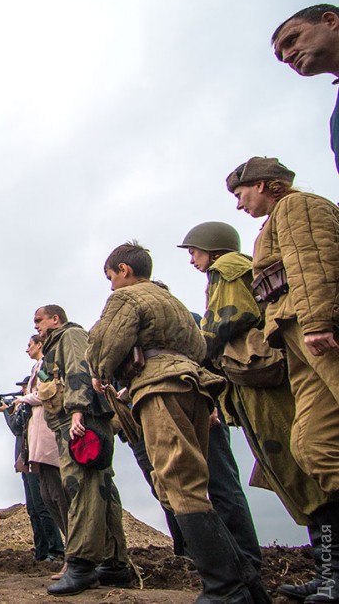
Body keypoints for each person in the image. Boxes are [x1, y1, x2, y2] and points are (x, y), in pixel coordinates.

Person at [86, 242, 270, 604]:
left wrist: (99, 369)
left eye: (111, 277)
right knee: (194, 484)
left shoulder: (126, 298)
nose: (111, 285)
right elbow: (201, 348)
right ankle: (246, 583)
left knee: (179, 486)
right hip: (194, 388)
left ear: (124, 270)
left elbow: (104, 349)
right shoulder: (173, 302)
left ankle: (224, 589)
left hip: (159, 389)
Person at [229, 156, 339, 602]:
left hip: (315, 331)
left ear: (263, 184)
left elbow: (313, 262)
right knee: (313, 446)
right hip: (295, 337)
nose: (239, 205)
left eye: (241, 194)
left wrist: (318, 321)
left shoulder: (296, 206)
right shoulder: (272, 224)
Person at [32, 304, 131, 596]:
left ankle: (82, 565)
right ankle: (114, 564)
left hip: (80, 423)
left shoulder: (70, 336)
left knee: (82, 487)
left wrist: (77, 412)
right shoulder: (53, 346)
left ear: (55, 319)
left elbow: (79, 371)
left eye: (39, 320)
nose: (36, 326)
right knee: (101, 491)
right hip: (75, 422)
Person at [10, 334, 66, 563]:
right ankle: (51, 550)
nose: (27, 349)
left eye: (29, 345)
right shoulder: (38, 368)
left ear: (40, 345)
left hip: (45, 440)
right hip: (33, 446)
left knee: (53, 497)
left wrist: (23, 400)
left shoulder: (45, 365)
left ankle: (62, 550)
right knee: (42, 500)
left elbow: (47, 391)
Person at [270, 4, 339, 173]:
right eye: (281, 57)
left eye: (292, 40)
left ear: (330, 21)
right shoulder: (335, 122)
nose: (287, 57)